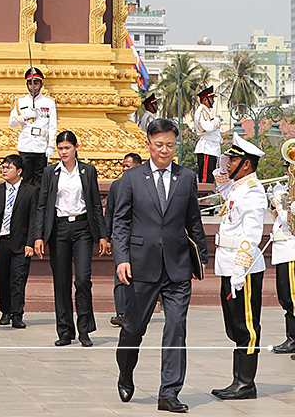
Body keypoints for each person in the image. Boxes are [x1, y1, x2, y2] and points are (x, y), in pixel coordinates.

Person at [113, 117, 208, 412]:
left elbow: (193, 220)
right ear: (148, 145)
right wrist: (122, 259)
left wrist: (201, 258)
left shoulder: (187, 178)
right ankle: (126, 371)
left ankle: (169, 392)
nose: (164, 150)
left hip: (178, 266)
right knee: (133, 328)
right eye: (158, 145)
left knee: (176, 327)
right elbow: (120, 222)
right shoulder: (131, 178)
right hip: (141, 266)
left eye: (170, 144)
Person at [33, 130, 108, 346]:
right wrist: (39, 236)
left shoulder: (87, 171)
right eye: (60, 148)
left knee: (83, 280)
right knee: (61, 281)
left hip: (83, 227)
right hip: (59, 229)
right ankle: (65, 331)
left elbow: (95, 204)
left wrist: (102, 235)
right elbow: (42, 205)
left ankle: (84, 329)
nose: (64, 152)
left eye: (67, 147)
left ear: (76, 148)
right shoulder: (50, 172)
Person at [209, 134, 267, 401]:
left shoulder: (253, 191)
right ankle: (238, 381)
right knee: (234, 326)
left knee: (247, 326)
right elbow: (220, 180)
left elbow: (252, 235)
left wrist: (240, 271)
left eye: (233, 159)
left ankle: (246, 383)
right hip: (228, 264)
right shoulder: (237, 187)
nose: (228, 162)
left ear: (246, 164)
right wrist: (224, 164)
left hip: (242, 268)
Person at [0, 153, 37, 329]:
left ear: (19, 171)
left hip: (21, 243)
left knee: (18, 279)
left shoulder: (30, 191)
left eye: (8, 167)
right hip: (1, 242)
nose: (4, 170)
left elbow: (33, 219)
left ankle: (17, 314)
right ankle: (5, 311)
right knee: (2, 279)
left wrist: (30, 243)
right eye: (3, 166)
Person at [106, 152, 142, 327]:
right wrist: (106, 236)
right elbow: (110, 212)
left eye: (128, 166)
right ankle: (121, 312)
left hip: (141, 238)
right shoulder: (117, 186)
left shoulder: (145, 184)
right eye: (123, 166)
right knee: (119, 274)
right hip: (122, 237)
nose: (125, 169)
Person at [8, 68, 57, 187]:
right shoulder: (20, 101)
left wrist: (51, 146)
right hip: (26, 144)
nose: (33, 86)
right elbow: (12, 122)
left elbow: (52, 126)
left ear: (41, 84)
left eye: (36, 83)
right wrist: (24, 116)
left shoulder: (48, 103)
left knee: (40, 179)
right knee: (26, 178)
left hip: (41, 145)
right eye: (30, 83)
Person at [267, 156, 295, 355]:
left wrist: (281, 203)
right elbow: (278, 218)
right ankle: (291, 338)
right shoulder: (286, 190)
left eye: (290, 168)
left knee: (293, 297)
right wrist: (274, 203)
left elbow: (290, 221)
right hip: (282, 249)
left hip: (292, 248)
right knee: (285, 296)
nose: (287, 172)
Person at [194, 85, 221, 184]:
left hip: (211, 147)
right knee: (205, 178)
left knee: (210, 175)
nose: (213, 101)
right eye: (211, 98)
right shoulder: (202, 111)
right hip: (207, 147)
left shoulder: (207, 112)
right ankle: (203, 197)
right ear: (205, 100)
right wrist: (216, 121)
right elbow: (208, 127)